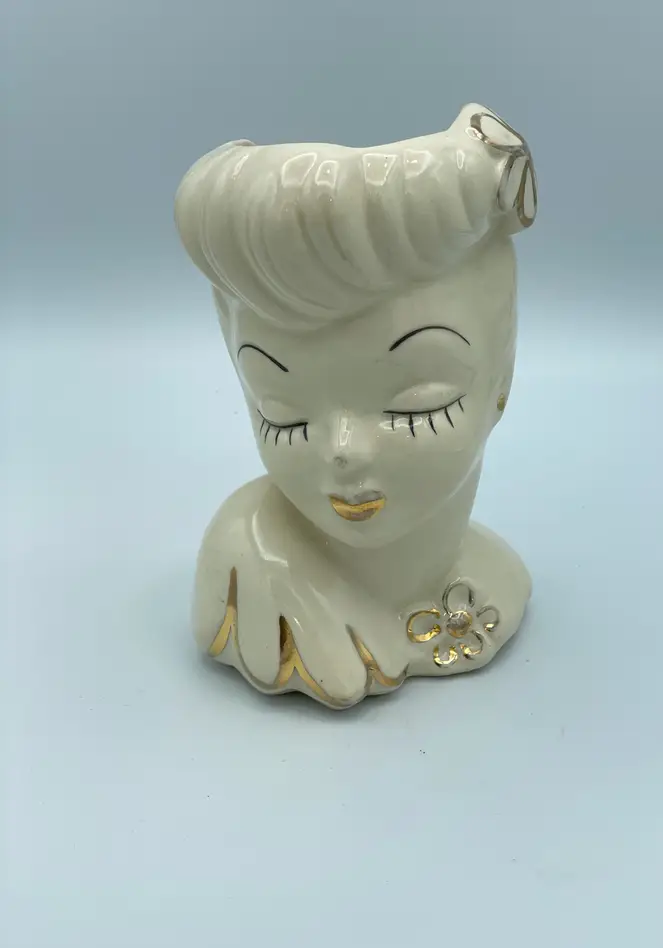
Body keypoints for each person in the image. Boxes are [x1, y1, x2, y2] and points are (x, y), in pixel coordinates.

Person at [175, 103, 537, 709]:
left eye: (416, 408)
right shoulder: (244, 577)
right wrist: (248, 537)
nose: (342, 449)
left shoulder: (497, 576)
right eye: (282, 414)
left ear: (503, 374)